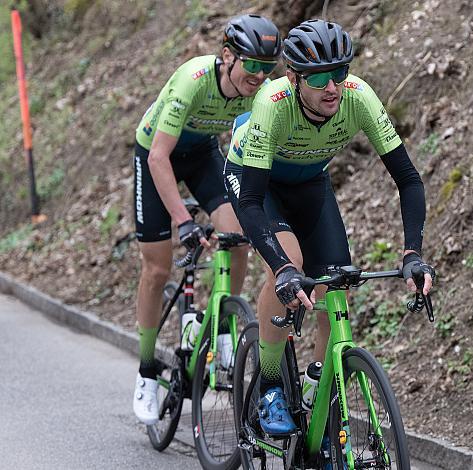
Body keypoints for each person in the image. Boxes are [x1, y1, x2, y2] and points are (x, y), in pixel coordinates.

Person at [223, 19, 435, 437]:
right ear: (293, 77)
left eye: (340, 73)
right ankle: (268, 384)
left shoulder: (359, 97)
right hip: (257, 182)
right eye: (319, 77)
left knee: (335, 288)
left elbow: (408, 180)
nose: (332, 87)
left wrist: (413, 253)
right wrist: (282, 267)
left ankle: (316, 392)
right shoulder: (272, 101)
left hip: (310, 183)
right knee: (291, 263)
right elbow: (249, 201)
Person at [131, 14, 282, 425]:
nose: (259, 75)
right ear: (227, 56)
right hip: (156, 154)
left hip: (201, 157)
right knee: (157, 267)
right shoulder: (192, 79)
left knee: (236, 236)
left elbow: (257, 155)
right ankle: (146, 370)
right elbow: (159, 156)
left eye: (267, 68)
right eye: (251, 65)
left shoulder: (262, 92)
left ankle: (221, 327)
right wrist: (183, 221)